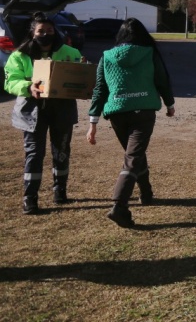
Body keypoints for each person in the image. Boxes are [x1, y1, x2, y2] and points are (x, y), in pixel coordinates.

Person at [86, 18, 175, 228]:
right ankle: (120, 205)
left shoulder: (106, 56)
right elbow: (161, 79)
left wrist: (93, 121)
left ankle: (146, 192)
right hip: (143, 111)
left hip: (117, 113)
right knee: (133, 156)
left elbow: (100, 89)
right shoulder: (149, 53)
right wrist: (169, 104)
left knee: (133, 154)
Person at [4, 12, 84, 214]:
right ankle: (30, 198)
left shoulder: (70, 52)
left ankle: (60, 191)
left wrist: (83, 75)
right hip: (32, 112)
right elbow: (10, 81)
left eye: (49, 30)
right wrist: (28, 86)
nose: (46, 34)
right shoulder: (19, 56)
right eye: (41, 31)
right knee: (34, 154)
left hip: (62, 110)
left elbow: (80, 77)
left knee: (62, 151)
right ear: (33, 33)